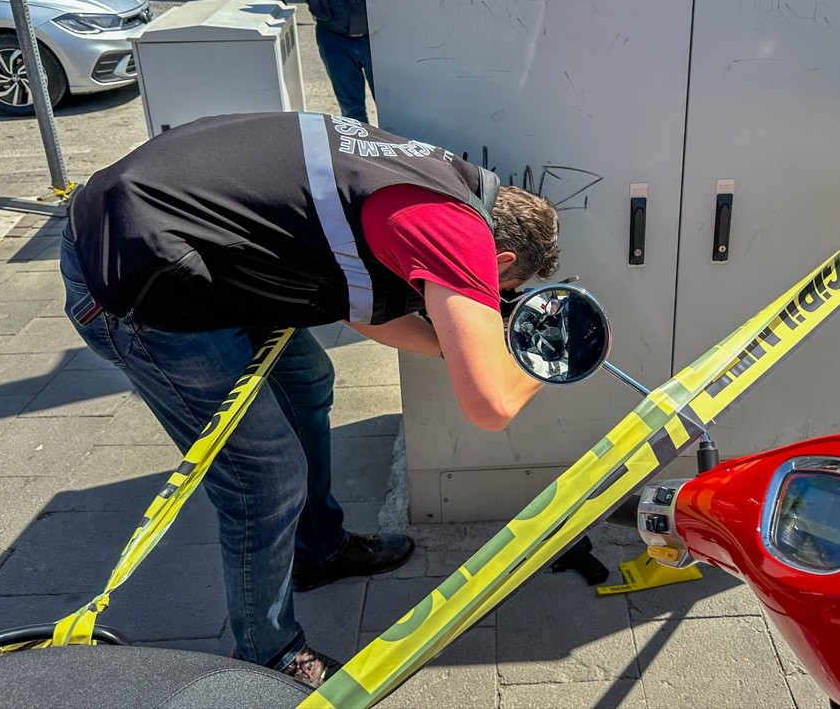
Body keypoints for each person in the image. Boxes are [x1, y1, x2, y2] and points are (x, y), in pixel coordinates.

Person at [59, 112, 561, 688]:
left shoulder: (442, 181)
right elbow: (491, 405)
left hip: (187, 235)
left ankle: (318, 549)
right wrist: (549, 360)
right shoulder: (453, 235)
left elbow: (369, 312)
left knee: (308, 382)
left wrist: (458, 345)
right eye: (501, 294)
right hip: (136, 276)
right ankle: (269, 655)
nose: (493, 305)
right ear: (497, 262)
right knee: (264, 480)